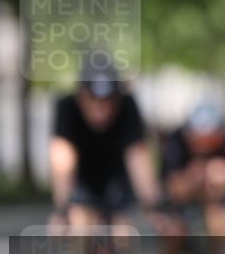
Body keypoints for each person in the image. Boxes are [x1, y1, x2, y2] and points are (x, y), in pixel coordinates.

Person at [50, 59, 161, 236]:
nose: (101, 108)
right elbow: (62, 159)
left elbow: (138, 156)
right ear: (81, 96)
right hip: (83, 180)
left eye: (108, 101)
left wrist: (153, 206)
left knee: (123, 232)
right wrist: (62, 210)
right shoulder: (67, 108)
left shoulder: (128, 106)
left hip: (116, 179)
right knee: (78, 228)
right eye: (93, 100)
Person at [159, 101, 225, 254]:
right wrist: (193, 177)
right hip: (175, 205)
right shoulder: (175, 143)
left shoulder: (222, 145)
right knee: (173, 233)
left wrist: (215, 179)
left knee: (218, 220)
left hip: (208, 200)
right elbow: (172, 188)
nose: (203, 145)